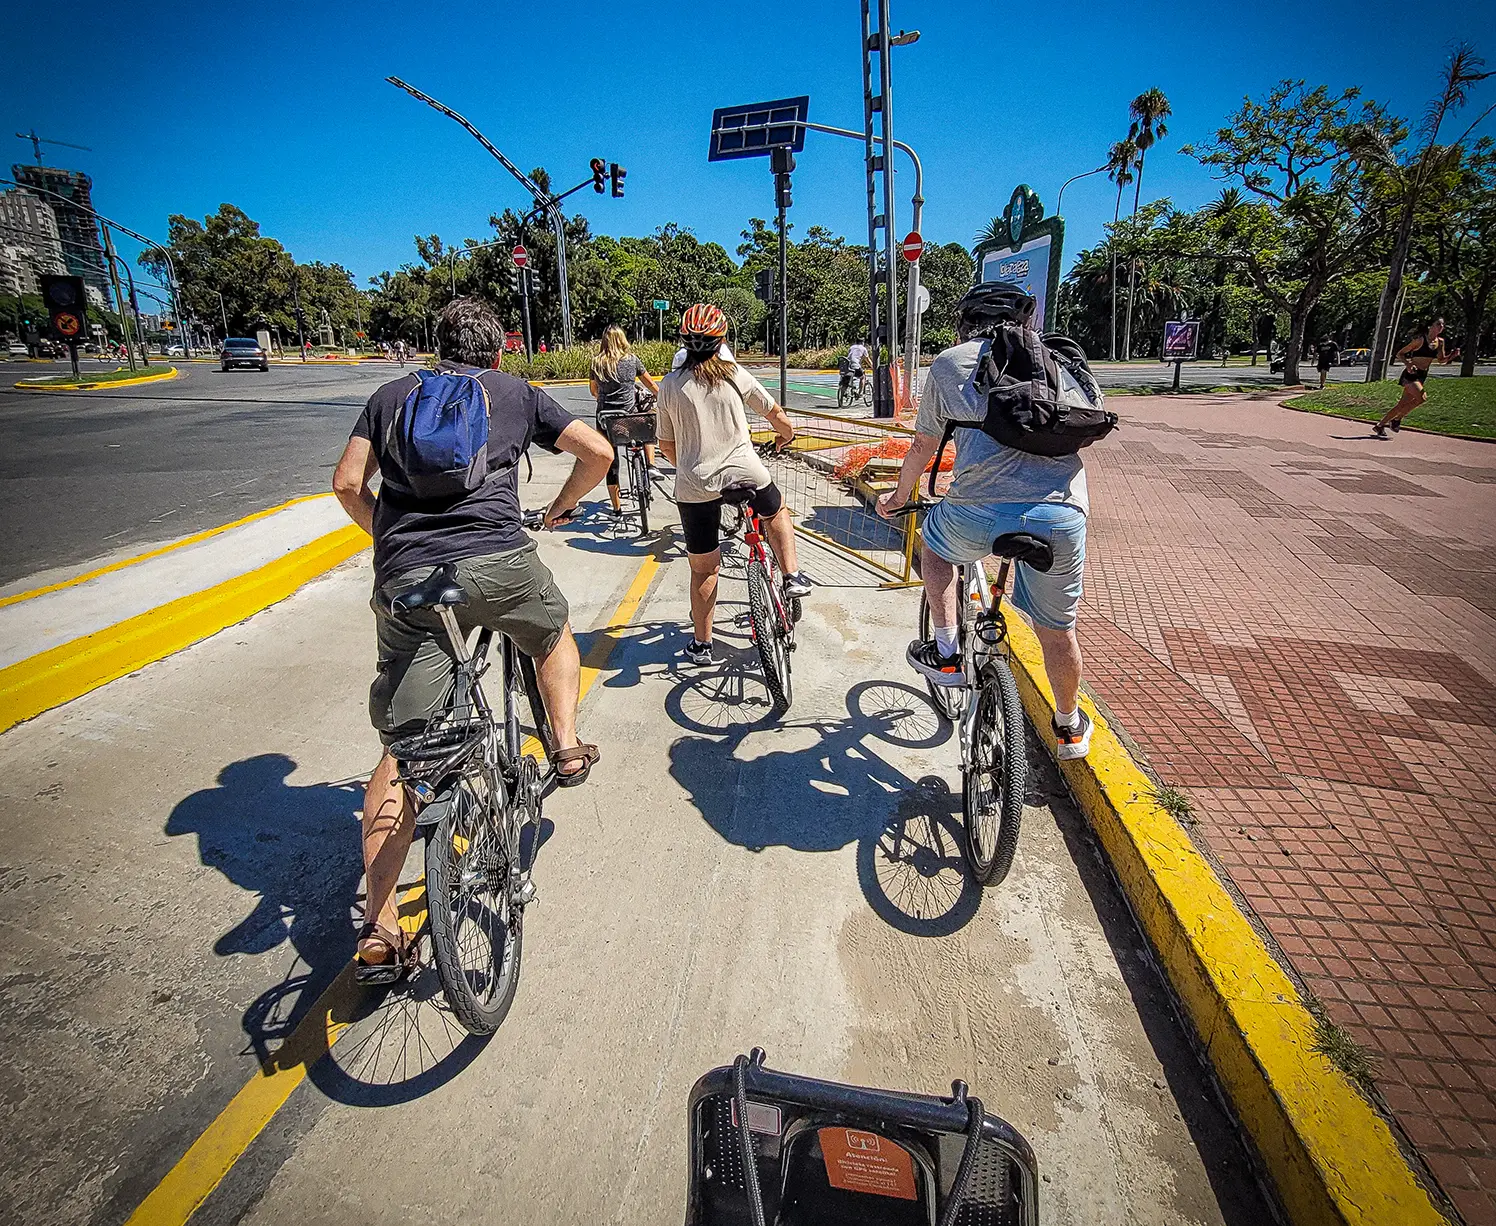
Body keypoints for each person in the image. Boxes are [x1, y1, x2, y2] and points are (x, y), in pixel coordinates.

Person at [331, 297, 614, 982]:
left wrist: (395, 539)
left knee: (403, 753)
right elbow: (599, 451)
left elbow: (345, 484)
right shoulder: (516, 392)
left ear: (438, 345)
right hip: (500, 561)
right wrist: (559, 507)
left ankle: (379, 926)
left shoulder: (390, 396)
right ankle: (568, 746)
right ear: (497, 351)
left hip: (413, 580)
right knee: (551, 632)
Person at [876, 282, 1094, 760]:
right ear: (1027, 320)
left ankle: (948, 651)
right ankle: (1069, 726)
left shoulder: (951, 363)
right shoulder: (1058, 359)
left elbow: (923, 447)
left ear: (965, 322)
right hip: (1059, 514)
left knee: (935, 547)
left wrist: (897, 495)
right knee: (1059, 631)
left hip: (975, 509)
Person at [656, 303, 813, 666]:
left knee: (704, 568)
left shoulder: (669, 385)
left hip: (695, 485)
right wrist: (785, 434)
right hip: (746, 471)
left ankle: (702, 645)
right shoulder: (734, 374)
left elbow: (665, 444)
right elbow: (773, 413)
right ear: (722, 340)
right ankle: (791, 575)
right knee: (775, 510)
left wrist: (690, 467)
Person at [589, 324, 660, 518]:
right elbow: (651, 384)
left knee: (612, 461)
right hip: (629, 419)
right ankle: (651, 465)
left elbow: (593, 390)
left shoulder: (596, 363)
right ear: (622, 340)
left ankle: (617, 509)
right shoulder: (632, 360)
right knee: (648, 421)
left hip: (607, 420)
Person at [1374, 318, 1460, 438]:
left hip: (1422, 375)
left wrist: (1451, 356)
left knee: (1402, 404)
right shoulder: (1420, 340)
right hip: (1411, 374)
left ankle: (1380, 425)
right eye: (1438, 324)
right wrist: (1408, 364)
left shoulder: (1440, 342)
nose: (1441, 326)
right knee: (1422, 398)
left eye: (1442, 324)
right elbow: (1400, 354)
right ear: (1431, 326)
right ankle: (1396, 420)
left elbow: (1441, 360)